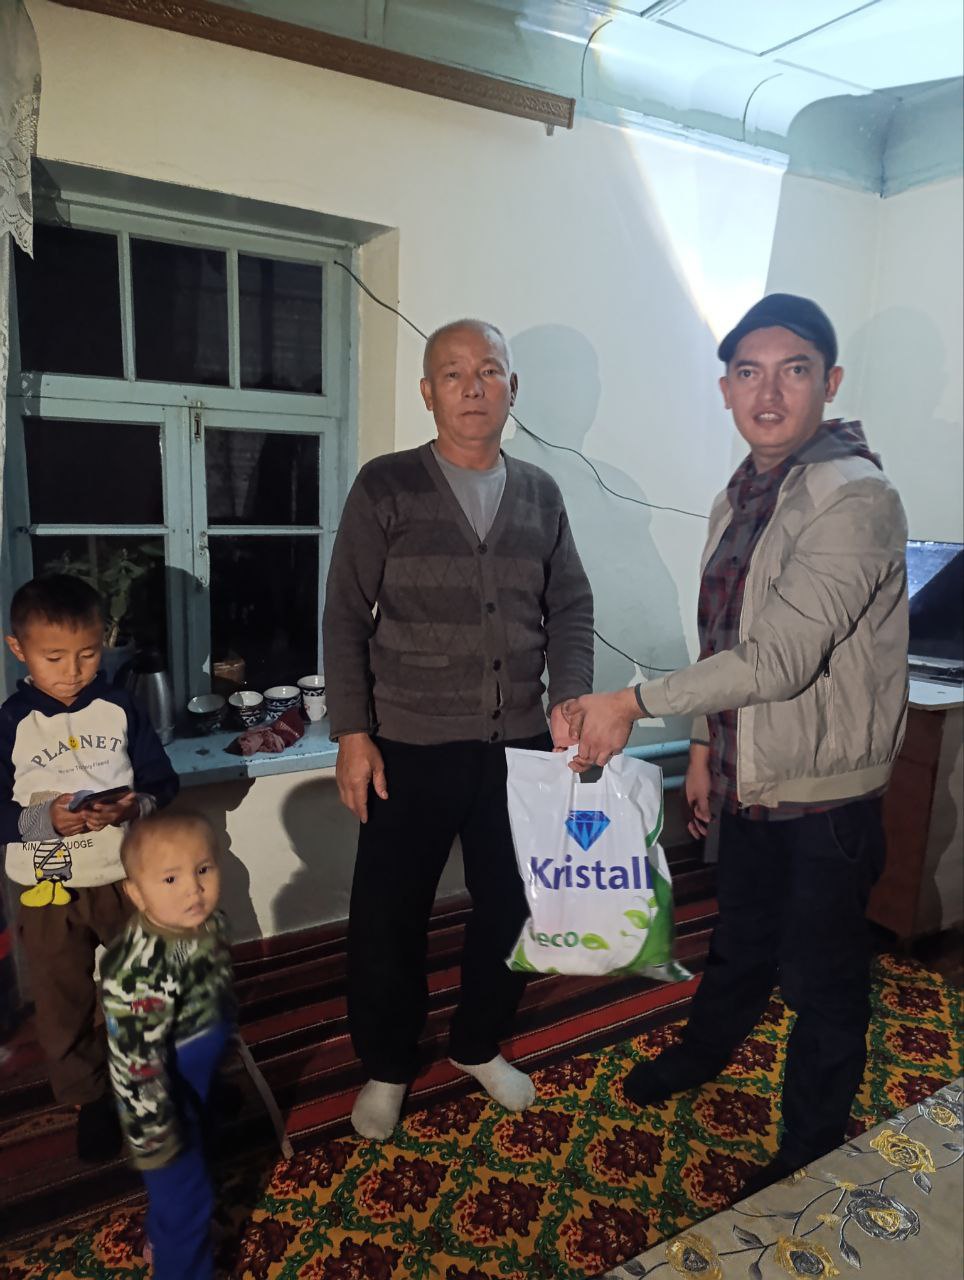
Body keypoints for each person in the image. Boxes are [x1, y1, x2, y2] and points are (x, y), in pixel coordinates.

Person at [562, 294, 908, 1193]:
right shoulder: (743, 492)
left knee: (821, 979)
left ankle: (809, 1149)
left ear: (830, 383)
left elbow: (780, 659)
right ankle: (705, 1052)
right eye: (749, 372)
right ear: (725, 389)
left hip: (824, 794)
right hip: (753, 772)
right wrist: (706, 750)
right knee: (740, 939)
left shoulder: (855, 496)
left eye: (794, 371)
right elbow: (725, 636)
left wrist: (632, 703)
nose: (769, 393)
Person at [323, 318, 593, 1140]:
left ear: (513, 387)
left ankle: (477, 1043)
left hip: (518, 746)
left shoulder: (542, 493)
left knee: (512, 905)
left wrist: (571, 700)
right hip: (406, 744)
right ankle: (387, 1064)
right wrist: (352, 733)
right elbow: (344, 614)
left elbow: (571, 606)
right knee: (388, 916)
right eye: (452, 373)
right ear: (427, 392)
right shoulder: (386, 486)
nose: (473, 387)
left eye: (489, 371)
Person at [0, 574, 179, 1158]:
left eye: (88, 653)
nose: (73, 671)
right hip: (47, 889)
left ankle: (151, 1077)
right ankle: (89, 1097)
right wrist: (45, 821)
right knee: (62, 999)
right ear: (18, 648)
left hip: (124, 879)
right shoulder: (11, 723)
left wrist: (132, 805)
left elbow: (161, 781)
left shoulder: (119, 707)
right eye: (54, 658)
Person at [100, 811, 234, 1280]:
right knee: (187, 1198)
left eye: (203, 870)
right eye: (171, 878)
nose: (193, 890)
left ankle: (161, 1235)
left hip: (198, 1069)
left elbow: (216, 980)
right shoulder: (137, 972)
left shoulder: (211, 923)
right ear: (136, 893)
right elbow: (135, 1067)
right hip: (155, 1098)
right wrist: (156, 1139)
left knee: (199, 1162)